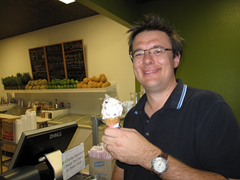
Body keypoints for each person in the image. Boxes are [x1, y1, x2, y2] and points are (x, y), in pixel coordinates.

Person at [101, 14, 240, 180]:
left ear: (176, 58)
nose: (147, 60)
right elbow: (121, 171)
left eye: (157, 51)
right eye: (139, 53)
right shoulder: (132, 115)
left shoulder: (210, 107)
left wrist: (146, 156)